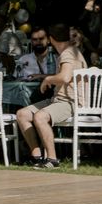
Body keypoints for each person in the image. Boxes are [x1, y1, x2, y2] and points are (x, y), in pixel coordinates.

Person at [15, 23, 87, 168]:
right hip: (58, 99)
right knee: (22, 114)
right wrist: (47, 77)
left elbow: (65, 77)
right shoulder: (69, 52)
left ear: (51, 39)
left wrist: (47, 79)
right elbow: (65, 75)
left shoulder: (68, 53)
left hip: (71, 101)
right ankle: (36, 156)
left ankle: (52, 159)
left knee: (40, 116)